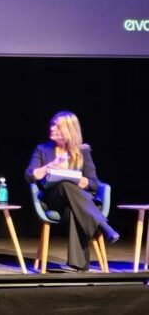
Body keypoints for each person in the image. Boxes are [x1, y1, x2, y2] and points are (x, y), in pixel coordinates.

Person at [25, 111, 119, 272]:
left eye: (57, 126)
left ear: (69, 130)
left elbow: (94, 184)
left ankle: (79, 264)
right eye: (52, 124)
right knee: (64, 185)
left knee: (74, 206)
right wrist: (50, 166)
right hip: (53, 199)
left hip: (78, 202)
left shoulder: (83, 152)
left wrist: (84, 181)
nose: (52, 128)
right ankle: (103, 225)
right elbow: (29, 175)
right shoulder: (42, 149)